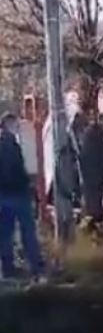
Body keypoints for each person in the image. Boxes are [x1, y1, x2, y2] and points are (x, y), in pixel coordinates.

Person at [0, 112, 44, 280]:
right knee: (27, 231)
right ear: (8, 124)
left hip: (3, 195)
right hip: (17, 194)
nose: (18, 127)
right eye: (16, 124)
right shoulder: (10, 144)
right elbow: (13, 170)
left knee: (5, 233)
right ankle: (36, 267)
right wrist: (27, 183)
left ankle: (7, 268)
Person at [78, 118, 103, 228]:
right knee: (94, 199)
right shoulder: (96, 143)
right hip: (97, 176)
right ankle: (93, 220)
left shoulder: (88, 143)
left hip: (92, 176)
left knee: (90, 199)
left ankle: (90, 221)